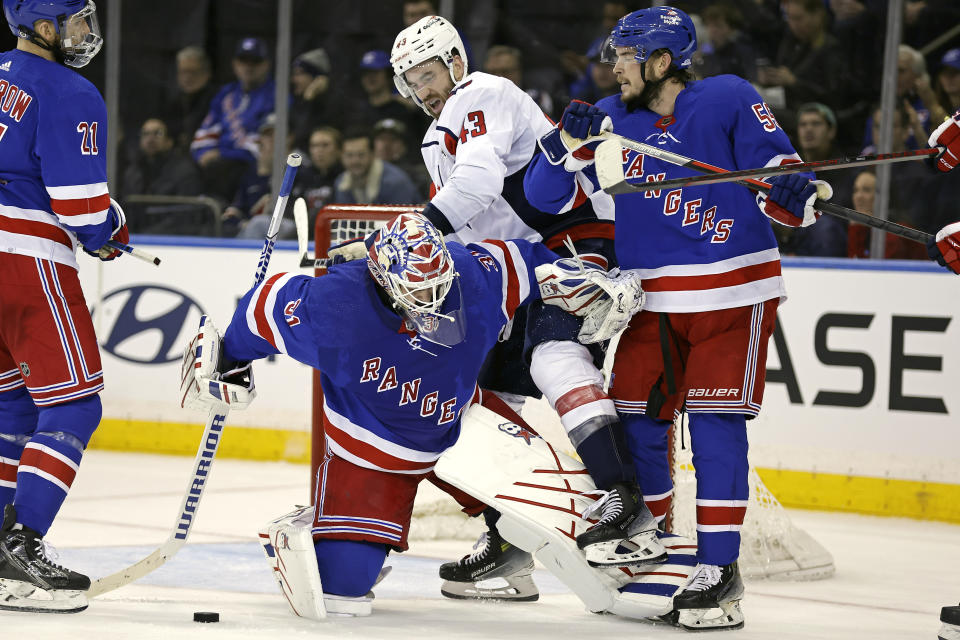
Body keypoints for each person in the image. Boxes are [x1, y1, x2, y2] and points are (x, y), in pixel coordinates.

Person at [524, 6, 835, 631]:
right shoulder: (608, 122)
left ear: (661, 62)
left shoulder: (728, 98)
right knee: (635, 413)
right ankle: (654, 533)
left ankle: (719, 570)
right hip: (651, 301)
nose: (613, 67)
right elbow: (541, 198)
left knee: (717, 429)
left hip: (732, 295)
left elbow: (784, 184)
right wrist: (562, 144)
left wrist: (795, 192)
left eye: (624, 56)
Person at [180, 212, 631, 616]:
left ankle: (506, 544)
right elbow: (261, 310)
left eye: (441, 289)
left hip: (462, 421)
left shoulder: (472, 272)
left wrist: (582, 273)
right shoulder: (332, 306)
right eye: (421, 296)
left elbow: (530, 260)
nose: (438, 307)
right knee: (339, 594)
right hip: (372, 450)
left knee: (587, 516)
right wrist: (231, 362)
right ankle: (322, 530)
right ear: (385, 286)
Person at [388, 15, 664, 600]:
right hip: (517, 265)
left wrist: (416, 231)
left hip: (572, 243)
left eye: (430, 73)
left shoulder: (479, 93)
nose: (424, 89)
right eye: (412, 81)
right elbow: (472, 225)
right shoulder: (436, 135)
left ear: (456, 63)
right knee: (479, 400)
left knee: (555, 355)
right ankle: (508, 540)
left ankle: (624, 499)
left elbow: (480, 185)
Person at [0, 0, 129, 613]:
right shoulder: (71, 92)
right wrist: (112, 231)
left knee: (12, 407)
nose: (86, 31)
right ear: (43, 28)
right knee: (75, 407)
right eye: (76, 21)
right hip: (27, 265)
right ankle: (21, 550)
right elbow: (82, 211)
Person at [191, 37, 275, 203]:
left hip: (249, 167)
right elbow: (205, 134)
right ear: (235, 64)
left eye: (255, 61)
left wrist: (224, 154)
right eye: (243, 61)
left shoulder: (276, 95)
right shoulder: (226, 94)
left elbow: (266, 143)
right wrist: (203, 153)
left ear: (266, 64)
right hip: (219, 167)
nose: (248, 67)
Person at [332, 129, 422, 205]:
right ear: (341, 156)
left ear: (373, 154)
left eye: (361, 155)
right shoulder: (340, 183)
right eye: (349, 155)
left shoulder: (396, 182)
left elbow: (402, 222)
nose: (355, 161)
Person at [160, 45, 217, 152]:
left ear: (207, 73)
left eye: (192, 72)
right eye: (183, 72)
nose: (187, 77)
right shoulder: (174, 103)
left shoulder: (217, 101)